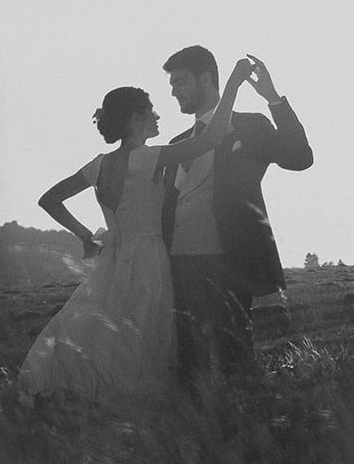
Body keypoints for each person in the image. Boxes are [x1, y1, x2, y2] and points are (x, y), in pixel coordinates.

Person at [18, 58, 254, 401]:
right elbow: (213, 137)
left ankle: (94, 394)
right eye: (152, 111)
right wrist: (233, 84)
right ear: (135, 118)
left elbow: (49, 200)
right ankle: (133, 402)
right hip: (149, 258)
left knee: (105, 330)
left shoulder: (98, 165)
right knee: (143, 335)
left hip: (112, 259)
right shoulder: (148, 157)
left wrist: (85, 235)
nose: (158, 116)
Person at [161, 46, 314, 382]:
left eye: (181, 81)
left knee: (235, 356)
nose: (173, 90)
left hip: (230, 260)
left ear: (206, 79)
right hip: (179, 264)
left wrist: (273, 98)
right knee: (187, 361)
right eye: (171, 84)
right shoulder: (177, 142)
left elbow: (300, 157)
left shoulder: (251, 127)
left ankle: (246, 421)